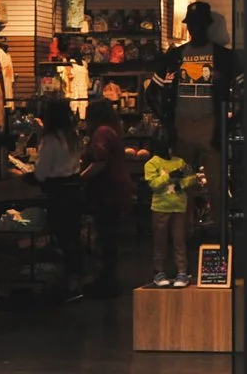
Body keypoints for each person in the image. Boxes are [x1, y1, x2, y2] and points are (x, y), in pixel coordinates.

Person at [79, 97, 133, 297]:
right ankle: (109, 278)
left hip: (108, 191)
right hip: (117, 188)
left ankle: (106, 281)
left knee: (106, 235)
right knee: (110, 236)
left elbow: (100, 161)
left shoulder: (101, 133)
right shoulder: (112, 130)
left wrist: (80, 177)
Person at [33, 91, 86, 293]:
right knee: (73, 236)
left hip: (59, 193)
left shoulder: (51, 139)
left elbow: (41, 172)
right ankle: (77, 277)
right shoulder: (73, 137)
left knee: (64, 237)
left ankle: (69, 279)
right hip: (74, 190)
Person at [144, 131, 193, 287]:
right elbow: (153, 184)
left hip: (178, 207)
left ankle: (182, 272)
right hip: (160, 207)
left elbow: (192, 177)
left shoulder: (180, 162)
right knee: (160, 241)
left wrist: (181, 184)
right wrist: (170, 175)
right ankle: (159, 271)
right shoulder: (151, 164)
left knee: (179, 240)